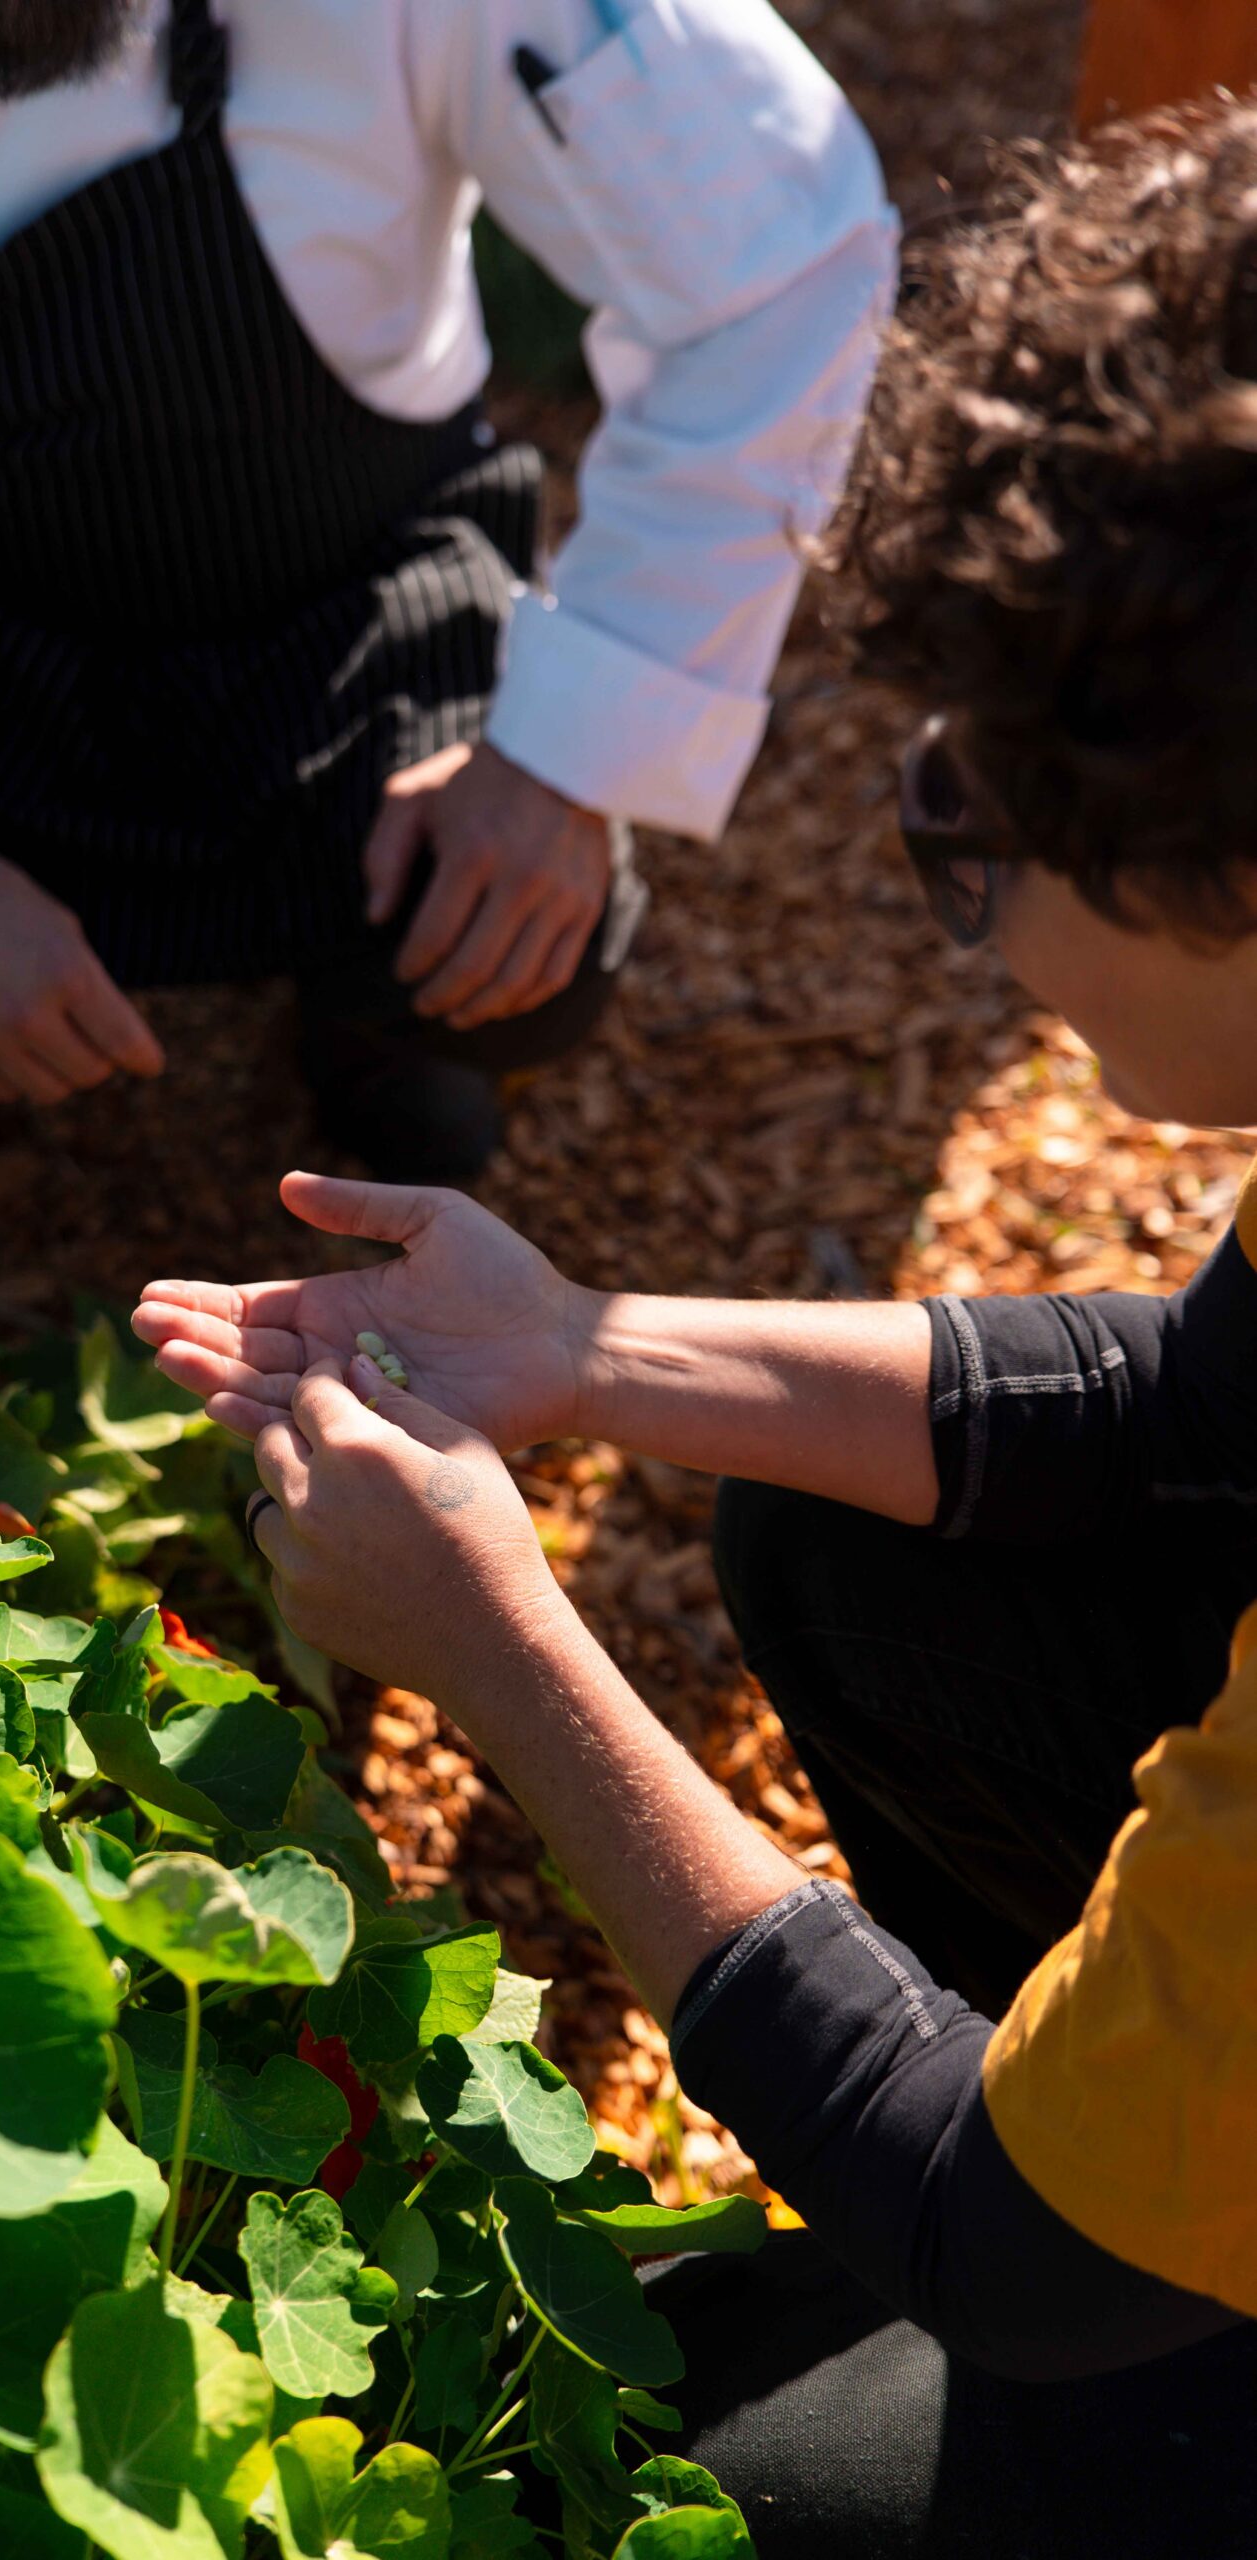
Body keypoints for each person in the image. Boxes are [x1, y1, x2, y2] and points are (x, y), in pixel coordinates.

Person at [132, 97, 1257, 2558]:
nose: (954, 884)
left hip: (1079, 2254)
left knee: (701, 2479)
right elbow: (1207, 1412)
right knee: (862, 1550)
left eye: (978, 830)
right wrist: (586, 1347)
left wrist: (498, 1648)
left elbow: (1033, 2263)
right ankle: (1091, 2127)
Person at [0, 0, 892, 1246]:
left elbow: (776, 264)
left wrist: (559, 762)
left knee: (521, 956)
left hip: (326, 608)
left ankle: (369, 1020)